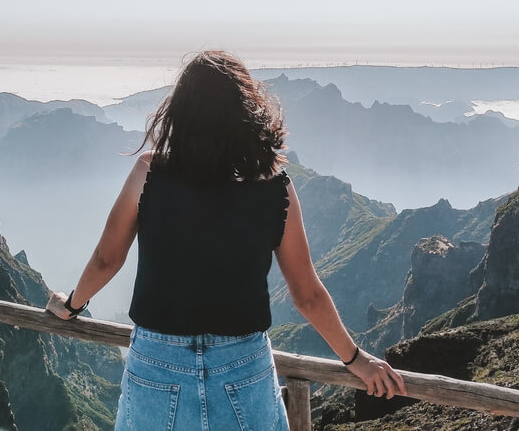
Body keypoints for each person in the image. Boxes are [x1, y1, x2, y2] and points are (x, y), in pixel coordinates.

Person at [46, 50, 406, 430]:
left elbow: (107, 258)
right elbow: (307, 294)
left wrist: (72, 305)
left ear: (180, 112)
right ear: (248, 112)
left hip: (157, 362)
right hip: (243, 365)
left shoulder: (150, 172)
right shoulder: (275, 185)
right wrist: (355, 360)